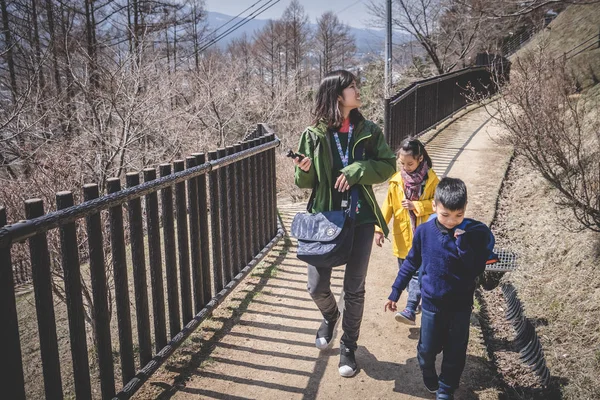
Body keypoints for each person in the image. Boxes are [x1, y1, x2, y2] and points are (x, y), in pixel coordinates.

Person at [292, 70, 396, 377]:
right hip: (325, 216)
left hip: (360, 217)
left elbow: (388, 165)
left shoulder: (369, 130)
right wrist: (304, 169)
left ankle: (349, 346)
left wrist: (358, 170)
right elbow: (305, 183)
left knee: (354, 287)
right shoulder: (313, 135)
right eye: (352, 87)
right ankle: (329, 316)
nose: (357, 90)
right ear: (338, 95)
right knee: (315, 286)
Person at [383, 177, 495, 400]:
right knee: (426, 351)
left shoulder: (470, 235)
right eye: (445, 215)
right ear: (434, 206)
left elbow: (475, 269)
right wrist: (396, 291)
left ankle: (446, 388)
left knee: (455, 352)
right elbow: (411, 263)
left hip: (461, 306)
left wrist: (463, 247)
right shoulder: (424, 232)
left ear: (464, 209)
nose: (452, 221)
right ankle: (428, 372)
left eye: (458, 215)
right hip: (432, 305)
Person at [374, 137, 439, 325]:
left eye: (409, 163)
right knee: (406, 271)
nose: (406, 167)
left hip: (424, 236)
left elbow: (438, 205)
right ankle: (417, 299)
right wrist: (379, 229)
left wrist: (416, 205)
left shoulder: (432, 180)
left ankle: (410, 308)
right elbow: (387, 207)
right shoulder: (396, 182)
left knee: (417, 273)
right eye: (402, 163)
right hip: (402, 236)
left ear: (420, 159)